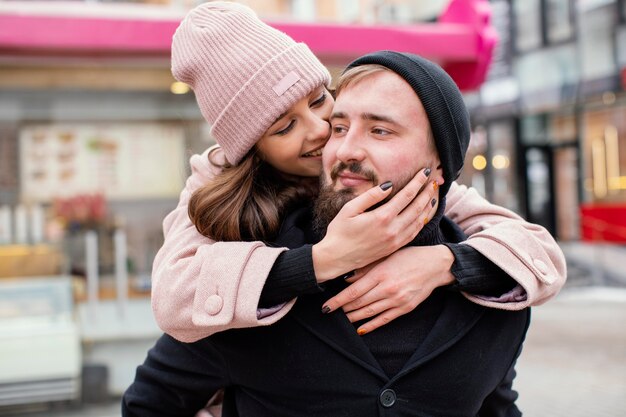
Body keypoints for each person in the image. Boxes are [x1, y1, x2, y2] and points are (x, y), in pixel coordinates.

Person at [123, 51, 532, 417]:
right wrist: (316, 264)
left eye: (380, 131)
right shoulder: (246, 291)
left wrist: (452, 264)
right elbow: (146, 405)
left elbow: (498, 404)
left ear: (441, 165)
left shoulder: (495, 293)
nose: (340, 148)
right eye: (340, 128)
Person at [151, 1, 566, 342]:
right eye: (284, 127)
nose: (320, 131)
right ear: (251, 150)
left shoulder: (380, 172)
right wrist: (322, 260)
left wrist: (441, 263)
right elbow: (172, 300)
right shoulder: (216, 186)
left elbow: (539, 254)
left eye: (317, 101)